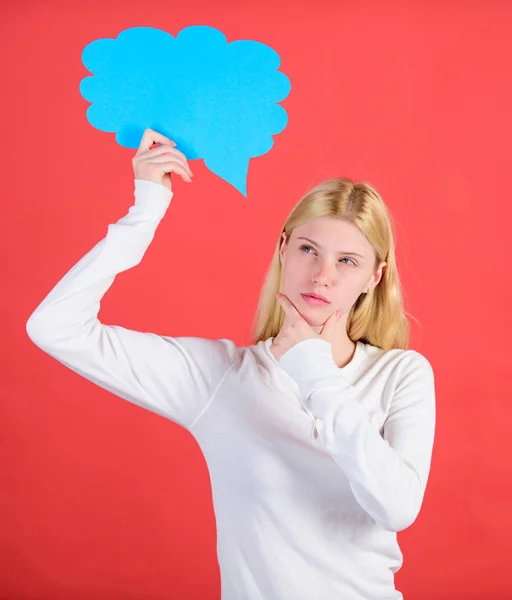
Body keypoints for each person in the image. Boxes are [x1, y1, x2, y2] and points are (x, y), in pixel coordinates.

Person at [26, 128, 436, 600]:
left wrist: (311, 366)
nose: (323, 276)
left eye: (347, 261)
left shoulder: (401, 376)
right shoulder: (222, 378)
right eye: (308, 250)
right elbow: (54, 326)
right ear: (283, 249)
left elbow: (397, 508)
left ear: (373, 277)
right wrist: (145, 212)